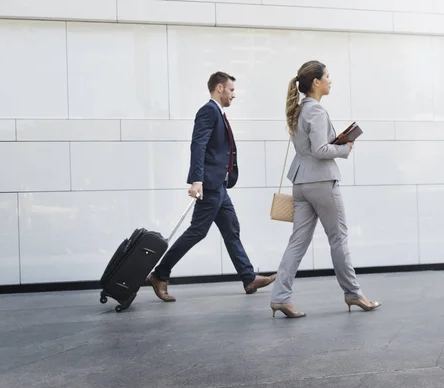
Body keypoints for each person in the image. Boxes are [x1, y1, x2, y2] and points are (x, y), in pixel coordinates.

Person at [146, 71, 276, 301]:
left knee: (231, 230)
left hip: (220, 186)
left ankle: (248, 277)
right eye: (232, 90)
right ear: (219, 88)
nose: (234, 95)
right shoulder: (208, 111)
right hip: (210, 185)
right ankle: (160, 274)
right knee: (197, 231)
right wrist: (197, 180)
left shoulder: (218, 113)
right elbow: (198, 145)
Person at [269, 61, 382, 318]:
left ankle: (280, 297)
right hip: (322, 182)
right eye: (328, 76)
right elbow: (320, 150)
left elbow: (309, 148)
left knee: (297, 243)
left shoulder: (298, 110)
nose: (331, 80)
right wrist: (345, 148)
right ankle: (354, 294)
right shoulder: (316, 112)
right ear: (316, 82)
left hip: (300, 183)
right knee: (338, 238)